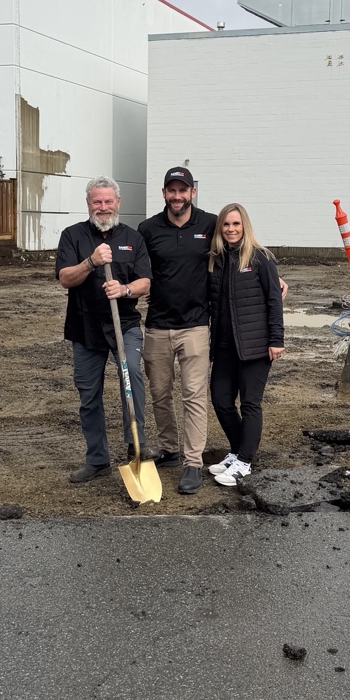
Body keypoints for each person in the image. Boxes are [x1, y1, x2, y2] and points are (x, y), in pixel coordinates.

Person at [56, 176, 152, 484]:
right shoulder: (72, 236)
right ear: (88, 204)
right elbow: (65, 278)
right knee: (89, 395)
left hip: (124, 325)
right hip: (85, 328)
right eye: (97, 201)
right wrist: (90, 262)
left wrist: (124, 289)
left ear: (117, 203)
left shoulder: (133, 238)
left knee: (132, 375)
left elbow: (145, 282)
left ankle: (136, 445)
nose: (103, 207)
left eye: (108, 201)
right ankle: (97, 459)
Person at [138, 167, 219, 496]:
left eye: (182, 190)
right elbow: (136, 267)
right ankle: (170, 449)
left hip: (195, 326)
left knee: (194, 395)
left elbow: (240, 247)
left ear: (192, 193)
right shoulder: (148, 229)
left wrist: (271, 275)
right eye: (171, 190)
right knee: (159, 394)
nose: (177, 196)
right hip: (157, 326)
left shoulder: (210, 224)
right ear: (163, 193)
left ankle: (193, 462)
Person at [206, 202, 284, 487]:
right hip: (224, 346)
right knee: (221, 400)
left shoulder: (260, 258)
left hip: (256, 346)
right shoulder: (215, 260)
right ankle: (238, 451)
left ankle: (244, 462)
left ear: (245, 226)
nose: (231, 229)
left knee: (250, 403)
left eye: (236, 224)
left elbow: (274, 299)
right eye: (226, 224)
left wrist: (276, 339)